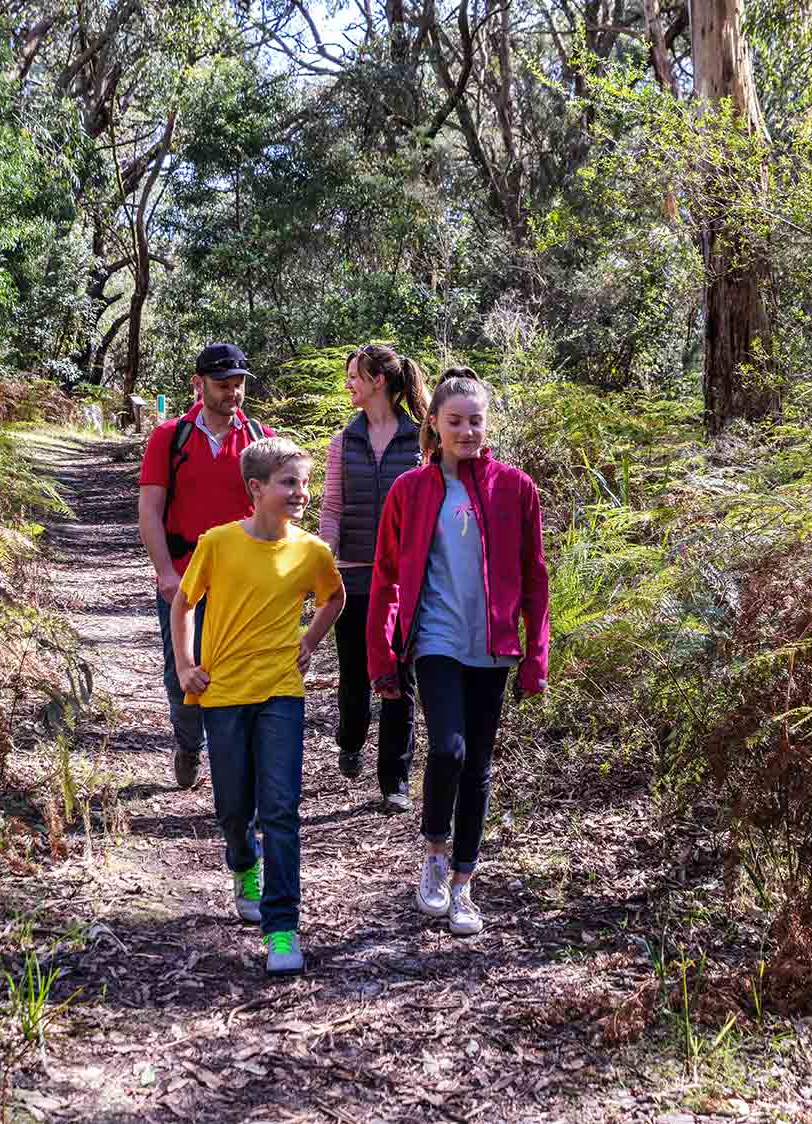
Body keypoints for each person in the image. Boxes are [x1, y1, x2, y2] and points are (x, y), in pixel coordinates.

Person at [366, 369, 549, 937]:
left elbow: (535, 576)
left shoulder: (516, 488)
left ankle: (465, 882)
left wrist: (535, 654)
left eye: (475, 421)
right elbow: (388, 576)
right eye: (455, 422)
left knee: (478, 764)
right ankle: (435, 856)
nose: (466, 431)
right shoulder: (411, 490)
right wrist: (382, 655)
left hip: (491, 646)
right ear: (435, 425)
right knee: (448, 749)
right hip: (437, 641)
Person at [169, 437, 344, 975]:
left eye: (305, 482)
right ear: (256, 489)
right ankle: (244, 863)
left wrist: (310, 641)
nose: (301, 492)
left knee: (281, 808)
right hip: (222, 693)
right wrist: (184, 665)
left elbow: (333, 597)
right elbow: (183, 603)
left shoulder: (312, 551)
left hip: (280, 694)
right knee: (233, 806)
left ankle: (283, 927)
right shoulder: (218, 544)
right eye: (289, 482)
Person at [138, 342, 274, 789]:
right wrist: (166, 574)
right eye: (222, 385)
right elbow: (150, 511)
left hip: (244, 581)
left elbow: (275, 513)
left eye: (237, 385)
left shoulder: (259, 439)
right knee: (183, 669)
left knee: (238, 672)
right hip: (185, 574)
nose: (231, 393)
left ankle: (233, 767)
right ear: (198, 385)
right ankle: (188, 744)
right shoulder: (169, 437)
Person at [317, 343, 427, 811]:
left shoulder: (420, 438)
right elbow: (333, 509)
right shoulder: (344, 441)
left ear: (377, 380)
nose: (349, 385)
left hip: (406, 579)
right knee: (356, 671)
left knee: (402, 676)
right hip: (355, 575)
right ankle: (350, 737)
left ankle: (394, 781)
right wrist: (323, 564)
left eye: (354, 377)